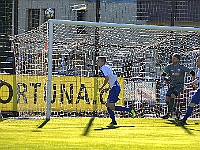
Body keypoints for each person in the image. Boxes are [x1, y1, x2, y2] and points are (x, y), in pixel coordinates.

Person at [97, 56, 135, 126]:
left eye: (98, 61)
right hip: (114, 87)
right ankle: (113, 121)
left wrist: (102, 87)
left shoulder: (103, 68)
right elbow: (113, 78)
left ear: (102, 62)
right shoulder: (107, 67)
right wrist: (108, 88)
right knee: (108, 105)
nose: (97, 63)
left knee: (111, 107)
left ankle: (129, 109)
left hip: (115, 88)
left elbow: (107, 78)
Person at [161, 53, 195, 119]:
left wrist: (193, 82)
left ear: (178, 60)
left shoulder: (182, 67)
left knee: (173, 95)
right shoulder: (169, 67)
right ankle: (176, 111)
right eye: (172, 58)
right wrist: (164, 78)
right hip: (172, 85)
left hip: (179, 86)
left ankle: (168, 113)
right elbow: (163, 74)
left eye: (174, 58)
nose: (172, 60)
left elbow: (192, 72)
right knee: (167, 100)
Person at [176, 56, 200, 125]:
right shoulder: (198, 71)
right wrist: (191, 83)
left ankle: (183, 120)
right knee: (191, 104)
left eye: (197, 61)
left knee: (191, 104)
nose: (196, 62)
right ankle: (183, 120)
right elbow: (197, 80)